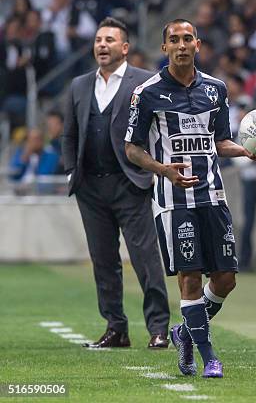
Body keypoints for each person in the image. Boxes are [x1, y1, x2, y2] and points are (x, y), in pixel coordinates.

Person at [125, 19, 256, 378]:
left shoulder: (216, 90)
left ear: (198, 44)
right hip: (173, 200)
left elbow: (221, 142)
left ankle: (185, 332)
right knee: (189, 277)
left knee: (226, 279)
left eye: (188, 39)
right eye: (174, 40)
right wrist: (162, 169)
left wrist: (250, 151)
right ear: (165, 48)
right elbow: (131, 148)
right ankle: (208, 357)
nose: (182, 45)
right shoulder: (147, 92)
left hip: (214, 196)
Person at [62, 17, 170, 349]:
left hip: (131, 184)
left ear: (125, 48)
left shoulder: (145, 81)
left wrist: (154, 169)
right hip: (90, 188)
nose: (102, 45)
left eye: (109, 39)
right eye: (98, 40)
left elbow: (160, 128)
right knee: (103, 260)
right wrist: (72, 172)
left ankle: (159, 328)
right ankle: (116, 328)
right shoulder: (79, 85)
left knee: (145, 258)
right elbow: (69, 134)